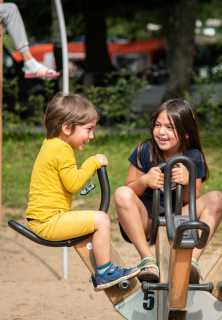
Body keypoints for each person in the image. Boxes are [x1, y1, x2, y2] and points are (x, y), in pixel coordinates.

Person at [25, 92, 139, 291]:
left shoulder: (51, 145)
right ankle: (104, 272)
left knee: (96, 219)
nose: (91, 136)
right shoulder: (61, 149)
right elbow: (74, 184)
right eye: (88, 130)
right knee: (101, 219)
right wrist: (94, 162)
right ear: (67, 128)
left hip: (47, 219)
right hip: (48, 222)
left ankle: (105, 268)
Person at [114, 99, 222, 284]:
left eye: (170, 127)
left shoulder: (193, 156)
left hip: (175, 219)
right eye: (158, 125)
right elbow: (129, 190)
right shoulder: (145, 149)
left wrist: (188, 181)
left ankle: (192, 262)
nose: (161, 132)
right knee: (121, 193)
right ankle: (147, 260)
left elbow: (192, 198)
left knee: (217, 198)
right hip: (145, 221)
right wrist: (144, 180)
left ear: (186, 133)